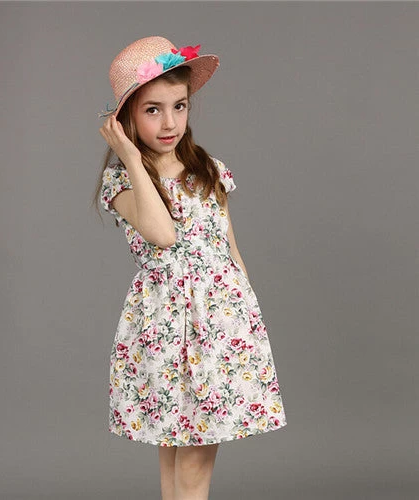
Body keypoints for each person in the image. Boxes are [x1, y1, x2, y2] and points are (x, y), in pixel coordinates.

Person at [94, 36, 287, 500]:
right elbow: (163, 235)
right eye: (152, 110)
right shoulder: (122, 179)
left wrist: (246, 319)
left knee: (192, 454)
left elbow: (229, 249)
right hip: (164, 325)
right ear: (125, 118)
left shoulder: (208, 169)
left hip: (219, 323)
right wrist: (129, 156)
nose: (170, 122)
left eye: (179, 106)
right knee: (177, 450)